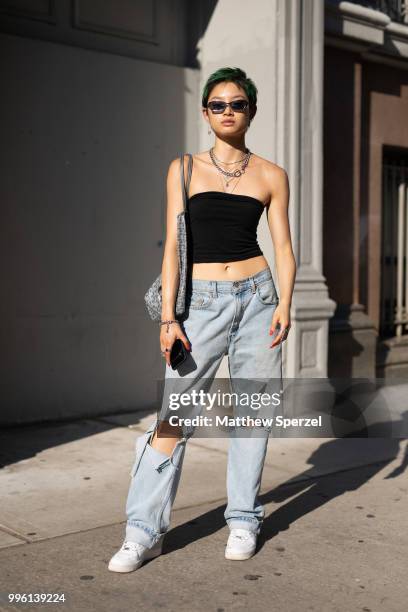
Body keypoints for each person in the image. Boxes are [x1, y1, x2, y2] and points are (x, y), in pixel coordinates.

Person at [108, 67, 296, 573]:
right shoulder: (184, 168)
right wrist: (168, 318)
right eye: (218, 104)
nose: (227, 111)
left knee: (253, 417)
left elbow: (282, 246)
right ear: (206, 112)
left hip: (259, 298)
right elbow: (172, 245)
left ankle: (244, 519)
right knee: (174, 419)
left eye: (237, 103)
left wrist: (285, 302)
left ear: (251, 111)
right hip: (203, 305)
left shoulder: (272, 174)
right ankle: (142, 532)